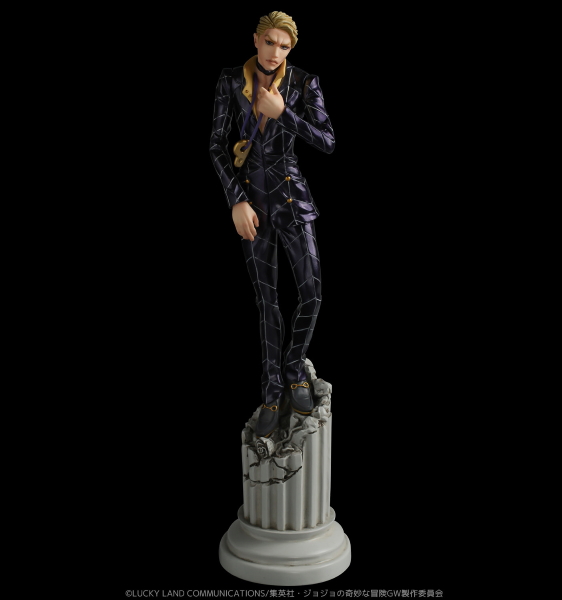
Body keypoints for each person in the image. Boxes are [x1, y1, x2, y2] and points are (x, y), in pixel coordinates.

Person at [209, 11, 335, 438]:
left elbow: (327, 140)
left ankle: (294, 368)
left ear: (290, 48)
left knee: (312, 291)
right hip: (252, 200)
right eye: (269, 42)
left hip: (292, 197)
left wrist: (283, 113)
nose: (275, 52)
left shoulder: (303, 83)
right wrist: (235, 200)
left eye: (284, 46)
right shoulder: (231, 80)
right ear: (256, 40)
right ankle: (271, 390)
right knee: (267, 302)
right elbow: (216, 144)